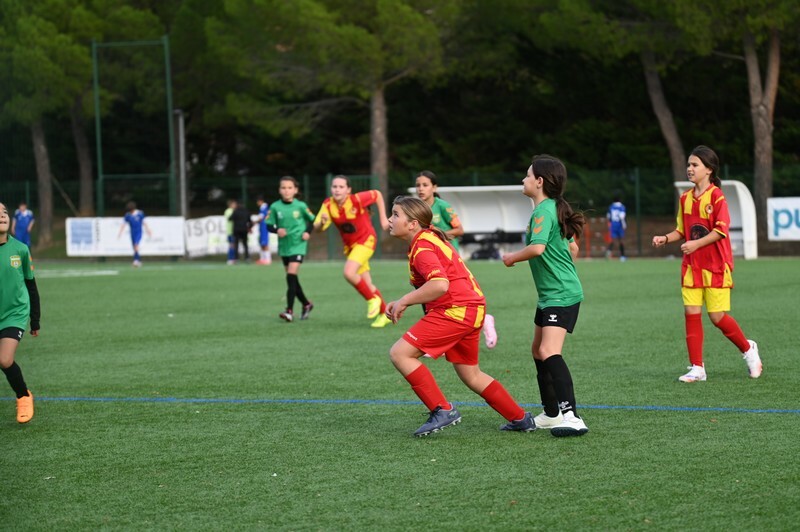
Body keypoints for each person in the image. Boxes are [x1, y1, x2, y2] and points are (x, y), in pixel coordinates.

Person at [386, 196, 534, 436]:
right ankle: (520, 418)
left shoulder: (422, 246)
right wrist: (404, 301)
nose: (390, 219)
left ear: (412, 224)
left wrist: (404, 300)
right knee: (470, 374)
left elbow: (440, 284)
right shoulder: (427, 238)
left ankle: (442, 410)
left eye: (395, 214)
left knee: (400, 353)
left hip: (456, 310)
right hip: (472, 308)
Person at [652, 145, 761, 383]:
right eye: (688, 165)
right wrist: (665, 238)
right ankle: (697, 368)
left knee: (717, 317)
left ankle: (748, 349)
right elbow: (682, 230)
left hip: (716, 266)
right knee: (691, 314)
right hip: (692, 266)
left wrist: (696, 244)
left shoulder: (717, 197)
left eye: (695, 165)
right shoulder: (685, 198)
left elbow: (720, 231)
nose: (689, 169)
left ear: (709, 169)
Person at [502, 154, 589, 437]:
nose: (524, 179)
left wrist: (512, 257)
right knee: (537, 350)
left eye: (528, 175)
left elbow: (538, 248)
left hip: (560, 295)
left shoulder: (543, 212)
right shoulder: (552, 209)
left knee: (549, 351)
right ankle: (552, 414)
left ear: (539, 181)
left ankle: (572, 417)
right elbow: (573, 249)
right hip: (552, 294)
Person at [415, 170, 498, 349]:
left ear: (434, 187)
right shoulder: (417, 208)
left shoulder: (442, 206)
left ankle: (483, 320)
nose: (420, 189)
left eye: (425, 185)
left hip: (447, 259)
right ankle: (436, 339)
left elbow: (459, 230)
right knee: (432, 296)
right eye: (418, 185)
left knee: (451, 297)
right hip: (428, 258)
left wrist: (438, 235)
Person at [313, 175, 392, 328]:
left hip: (366, 241)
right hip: (351, 247)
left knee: (349, 273)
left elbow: (377, 194)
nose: (337, 190)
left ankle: (372, 300)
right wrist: (322, 223)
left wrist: (383, 219)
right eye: (334, 187)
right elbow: (317, 228)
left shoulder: (356, 199)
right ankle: (384, 314)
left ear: (348, 190)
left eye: (341, 187)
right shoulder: (328, 205)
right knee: (367, 284)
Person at [0, 202, 39, 423]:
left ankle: (23, 396)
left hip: (14, 313)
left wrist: (35, 319)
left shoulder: (21, 249)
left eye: (4, 212)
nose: (2, 216)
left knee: (4, 359)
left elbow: (31, 285)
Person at [266, 177, 316, 322]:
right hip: (284, 246)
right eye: (283, 188)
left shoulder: (300, 206)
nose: (286, 191)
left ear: (295, 190)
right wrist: (277, 230)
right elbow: (269, 225)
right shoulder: (275, 207)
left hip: (298, 244)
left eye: (289, 188)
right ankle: (306, 304)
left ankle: (289, 311)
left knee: (291, 275)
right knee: (292, 278)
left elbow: (312, 220)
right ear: (279, 190)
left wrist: (307, 232)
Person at [117, 201, 151, 267]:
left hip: (139, 232)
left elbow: (144, 222)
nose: (131, 212)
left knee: (136, 245)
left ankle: (136, 260)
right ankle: (138, 261)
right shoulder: (128, 215)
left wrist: (148, 230)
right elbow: (123, 224)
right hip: (132, 233)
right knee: (134, 247)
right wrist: (120, 233)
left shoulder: (140, 213)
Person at [605, 195, 627, 261]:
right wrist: (624, 225)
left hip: (613, 225)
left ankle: (608, 252)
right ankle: (622, 256)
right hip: (619, 225)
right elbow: (622, 217)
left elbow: (608, 217)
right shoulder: (622, 207)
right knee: (621, 240)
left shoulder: (611, 206)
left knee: (613, 240)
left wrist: (609, 225)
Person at [255, 195, 273, 265]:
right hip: (262, 227)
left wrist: (253, 223)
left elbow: (260, 218)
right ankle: (263, 259)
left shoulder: (264, 208)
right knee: (262, 243)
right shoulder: (263, 208)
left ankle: (268, 259)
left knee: (265, 243)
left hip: (264, 228)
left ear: (260, 201)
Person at [224, 199, 237, 265]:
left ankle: (233, 259)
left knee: (233, 245)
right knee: (232, 245)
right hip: (231, 231)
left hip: (234, 231)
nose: (235, 205)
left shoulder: (234, 210)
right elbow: (230, 218)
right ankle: (230, 259)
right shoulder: (228, 211)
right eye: (234, 204)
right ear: (230, 205)